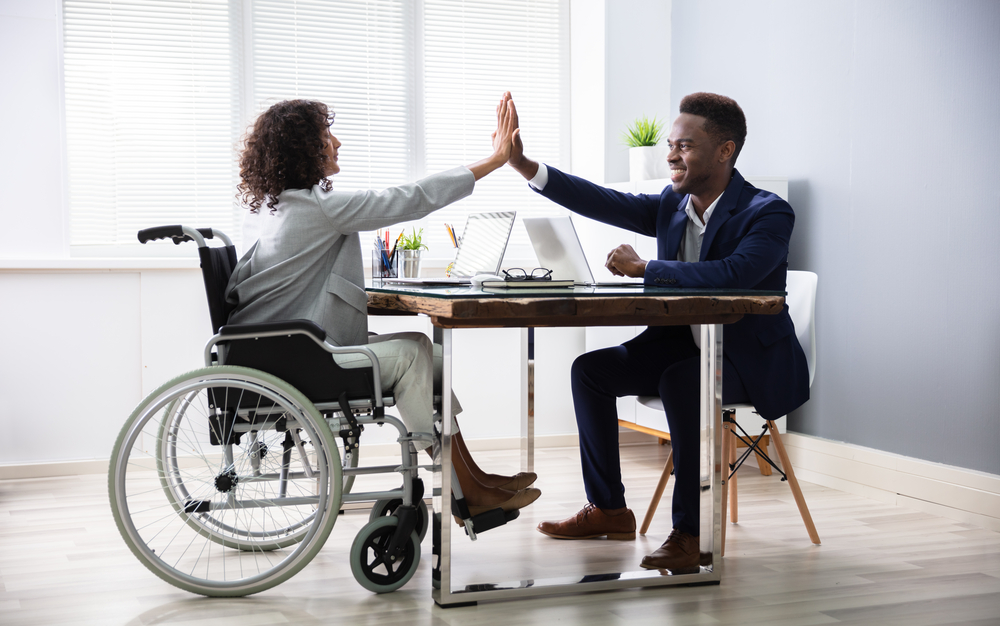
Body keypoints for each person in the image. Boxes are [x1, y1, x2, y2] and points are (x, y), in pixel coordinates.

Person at [504, 91, 809, 572]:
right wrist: (526, 166)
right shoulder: (673, 202)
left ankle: (689, 534)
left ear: (725, 151)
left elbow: (736, 274)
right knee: (591, 371)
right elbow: (605, 201)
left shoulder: (768, 212)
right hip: (680, 347)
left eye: (684, 146)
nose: (671, 154)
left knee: (684, 381)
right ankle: (609, 509)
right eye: (671, 144)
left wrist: (647, 266)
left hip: (748, 360)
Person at [225, 97, 540, 517]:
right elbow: (412, 197)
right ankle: (463, 484)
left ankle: (471, 478)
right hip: (299, 358)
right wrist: (496, 160)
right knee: (414, 353)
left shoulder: (278, 206)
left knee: (420, 348)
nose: (337, 142)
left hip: (284, 349)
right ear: (304, 147)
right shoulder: (317, 207)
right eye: (326, 135)